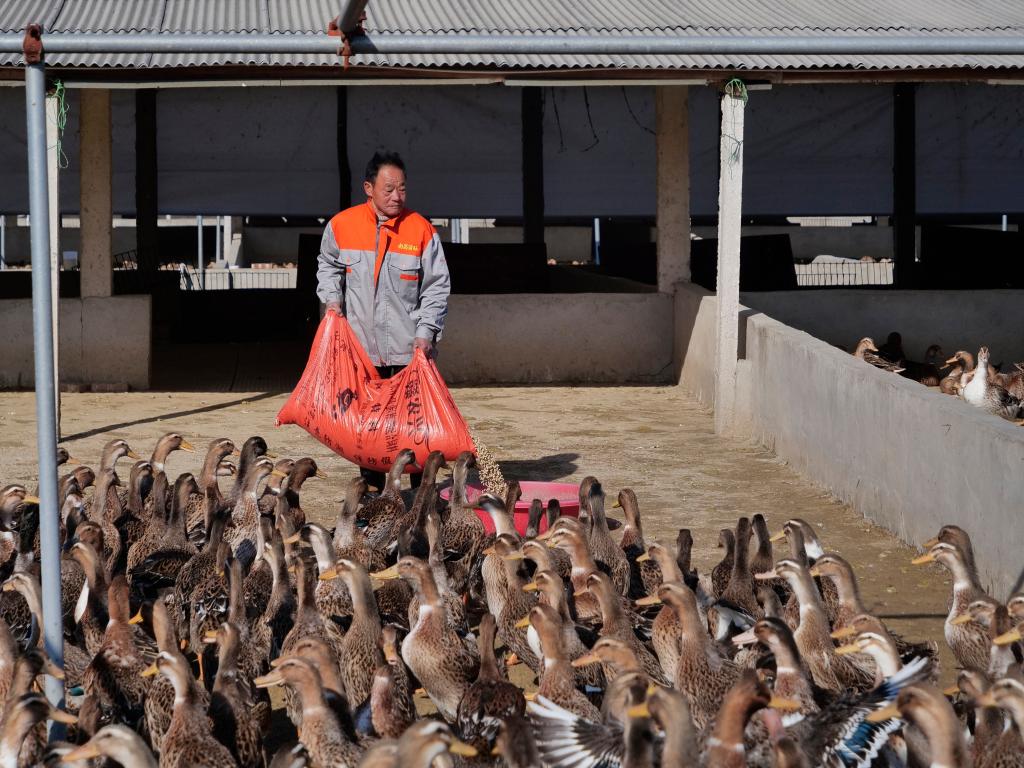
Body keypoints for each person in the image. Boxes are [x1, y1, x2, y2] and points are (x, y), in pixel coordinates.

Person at [316, 151, 451, 490]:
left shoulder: (420, 229)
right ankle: (374, 495)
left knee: (415, 429)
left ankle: (422, 498)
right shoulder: (341, 226)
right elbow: (328, 265)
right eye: (389, 189)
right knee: (368, 429)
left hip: (409, 352)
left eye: (402, 189)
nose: (397, 196)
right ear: (368, 188)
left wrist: (426, 333)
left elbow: (437, 287)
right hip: (361, 353)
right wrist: (333, 301)